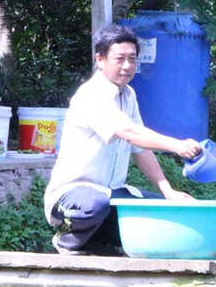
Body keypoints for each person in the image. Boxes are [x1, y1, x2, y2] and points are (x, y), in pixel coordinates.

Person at [44, 24, 202, 255]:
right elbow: (127, 132)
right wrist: (176, 145)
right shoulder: (91, 95)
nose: (127, 66)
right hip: (72, 197)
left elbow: (140, 148)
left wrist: (169, 192)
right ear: (100, 59)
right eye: (119, 59)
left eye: (132, 59)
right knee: (94, 205)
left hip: (112, 195)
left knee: (167, 213)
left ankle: (97, 241)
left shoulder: (128, 95)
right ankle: (66, 240)